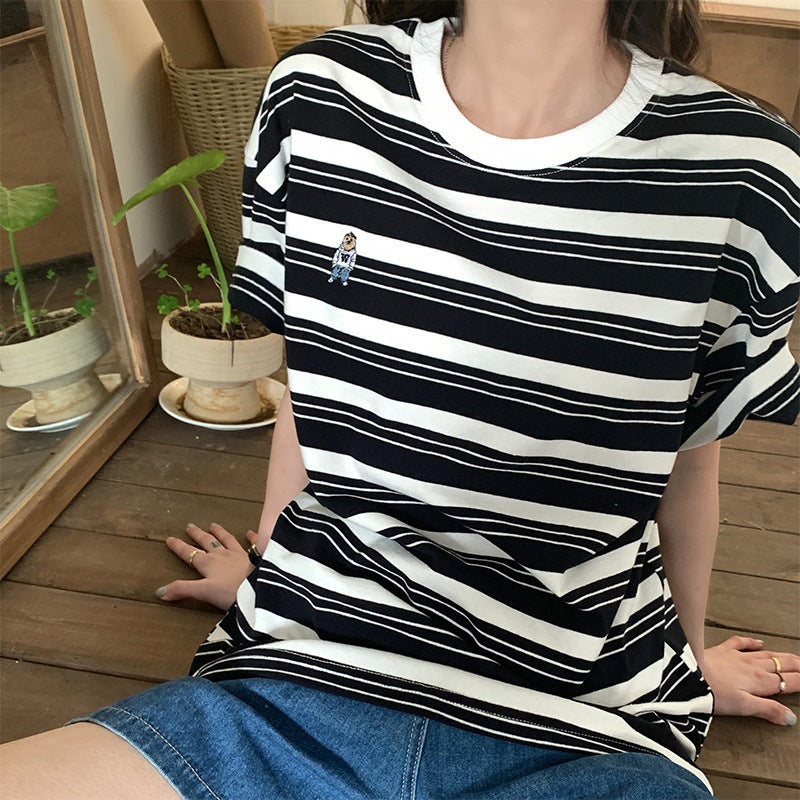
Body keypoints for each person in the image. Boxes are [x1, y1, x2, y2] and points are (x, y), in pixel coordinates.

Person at [2, 1, 799, 797]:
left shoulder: (744, 168)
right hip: (297, 675)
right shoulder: (319, 95)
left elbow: (689, 466)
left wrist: (684, 673)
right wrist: (270, 575)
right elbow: (313, 388)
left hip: (585, 725)